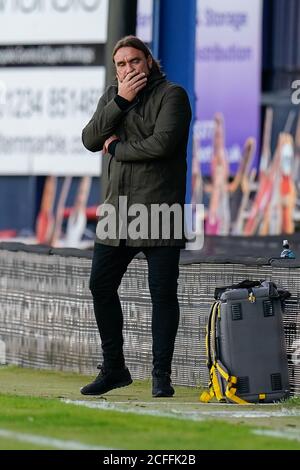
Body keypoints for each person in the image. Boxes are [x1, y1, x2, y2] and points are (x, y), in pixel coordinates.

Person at [80, 36, 192, 397]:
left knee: (162, 294)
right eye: (121, 65)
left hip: (160, 208)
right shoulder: (115, 95)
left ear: (149, 61)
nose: (128, 69)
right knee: (100, 285)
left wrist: (116, 147)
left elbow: (163, 145)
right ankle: (115, 368)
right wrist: (120, 101)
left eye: (134, 62)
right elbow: (89, 138)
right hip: (117, 210)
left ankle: (162, 376)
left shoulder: (173, 95)